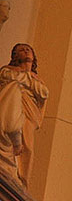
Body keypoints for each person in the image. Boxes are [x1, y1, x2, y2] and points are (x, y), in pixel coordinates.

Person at [0, 43, 48, 187]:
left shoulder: (37, 78)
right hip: (11, 107)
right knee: (10, 133)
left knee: (27, 147)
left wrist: (27, 77)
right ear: (15, 56)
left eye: (28, 50)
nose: (26, 51)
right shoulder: (7, 70)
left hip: (29, 114)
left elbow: (44, 93)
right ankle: (10, 170)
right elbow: (12, 80)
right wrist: (27, 76)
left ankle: (21, 181)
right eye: (21, 50)